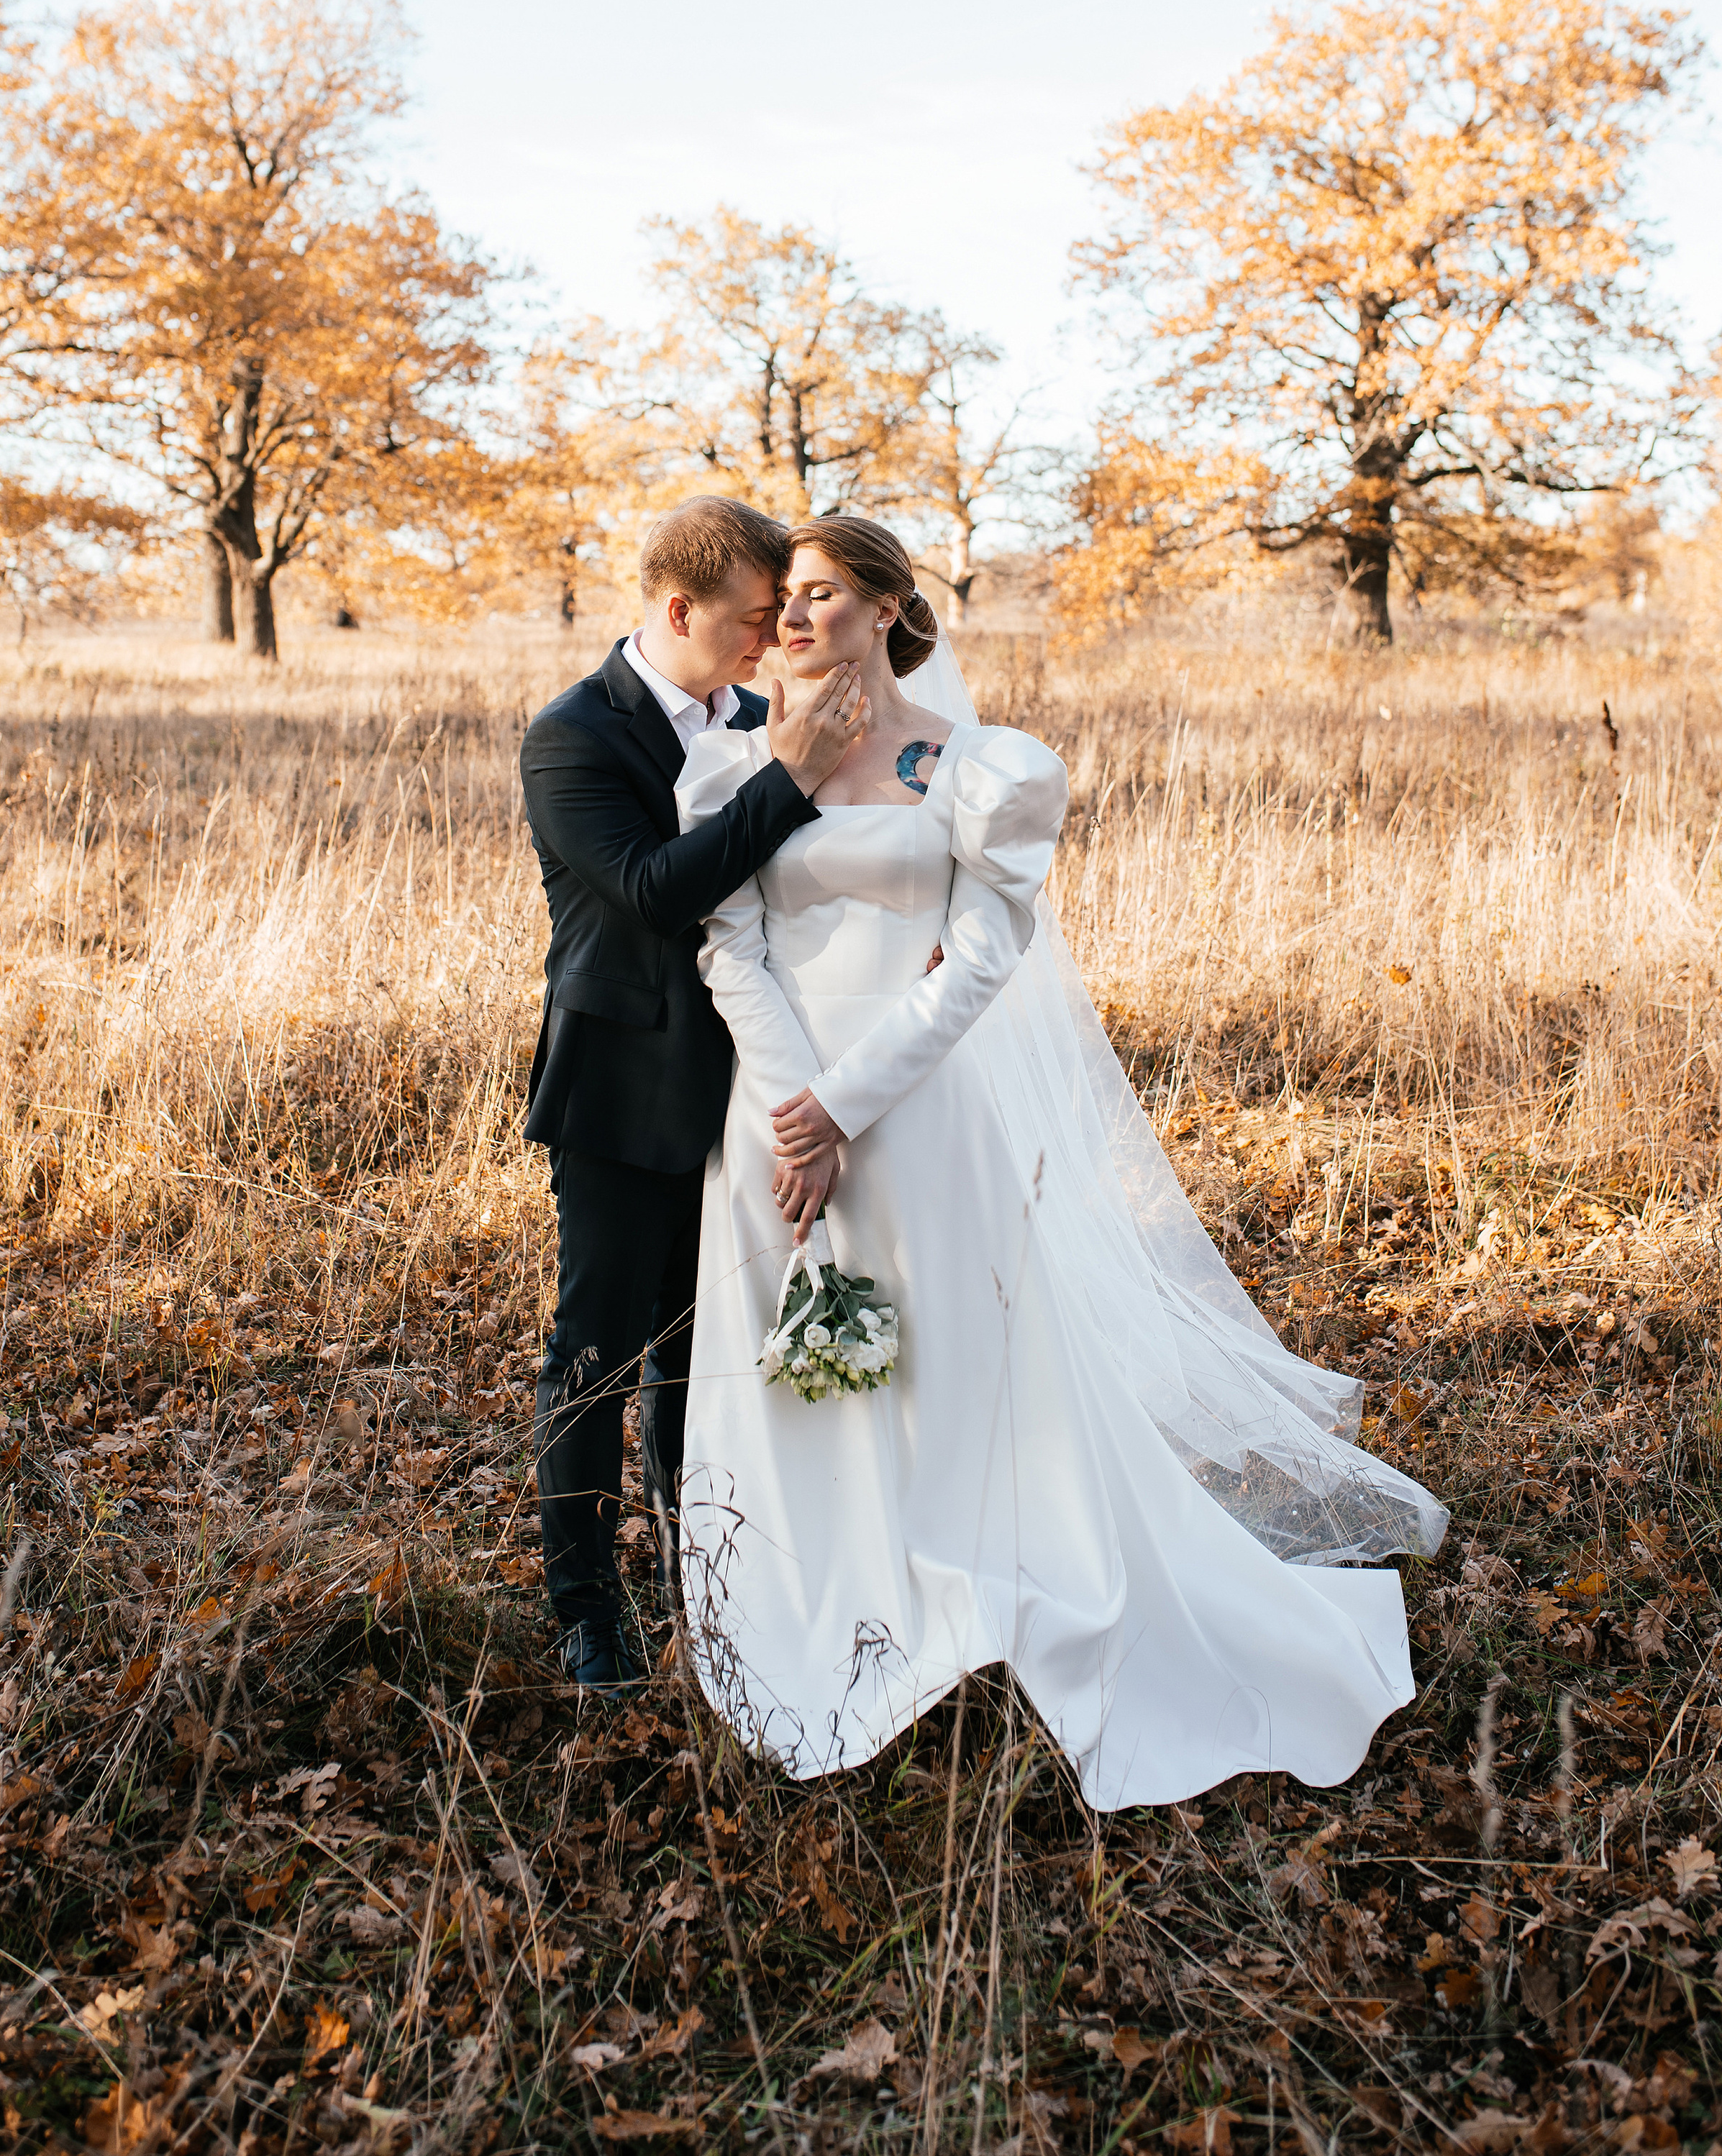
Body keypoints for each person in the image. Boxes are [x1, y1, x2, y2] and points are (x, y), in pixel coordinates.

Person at [673, 515, 1448, 1809]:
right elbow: (727, 944)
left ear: (886, 610)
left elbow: (982, 956)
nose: (788, 622)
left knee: (955, 1359)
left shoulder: (975, 767)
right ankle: (837, 1604)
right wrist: (793, 1108)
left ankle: (979, 1583)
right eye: (781, 603)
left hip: (920, 1116)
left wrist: (852, 1104)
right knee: (798, 1370)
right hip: (771, 1118)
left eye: (818, 597)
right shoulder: (740, 765)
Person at [519, 495, 869, 1695]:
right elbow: (654, 891)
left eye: (781, 617)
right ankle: (587, 1615)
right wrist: (794, 775)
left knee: (705, 1353)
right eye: (752, 619)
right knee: (599, 1355)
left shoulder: (762, 715)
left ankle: (702, 1578)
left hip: (752, 1095)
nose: (772, 641)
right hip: (623, 1098)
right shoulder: (574, 737)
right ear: (679, 609)